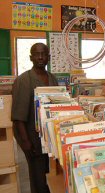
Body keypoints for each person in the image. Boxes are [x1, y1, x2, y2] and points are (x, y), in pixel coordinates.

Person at [12, 43, 58, 193]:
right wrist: (26, 141)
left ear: (48, 58)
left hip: (50, 137)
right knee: (37, 177)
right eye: (37, 54)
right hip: (31, 136)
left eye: (43, 54)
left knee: (50, 175)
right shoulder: (24, 80)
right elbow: (18, 116)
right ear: (31, 57)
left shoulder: (53, 79)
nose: (40, 57)